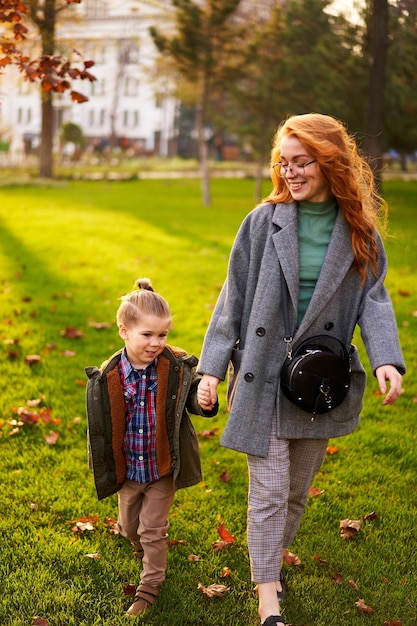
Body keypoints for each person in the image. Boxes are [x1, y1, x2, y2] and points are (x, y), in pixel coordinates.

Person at [196, 113, 405, 626]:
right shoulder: (263, 222)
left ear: (329, 162)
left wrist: (386, 359)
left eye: (300, 162)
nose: (289, 173)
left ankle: (270, 560)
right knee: (267, 490)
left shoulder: (360, 232)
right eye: (282, 163)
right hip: (264, 373)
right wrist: (211, 369)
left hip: (319, 382)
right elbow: (233, 299)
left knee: (293, 492)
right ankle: (268, 599)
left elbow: (374, 303)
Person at [85, 278, 218, 618]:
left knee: (152, 529)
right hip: (128, 468)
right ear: (123, 331)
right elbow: (102, 424)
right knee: (130, 528)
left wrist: (203, 398)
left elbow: (191, 399)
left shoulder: (174, 368)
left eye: (163, 335)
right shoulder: (110, 376)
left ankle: (150, 586)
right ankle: (139, 546)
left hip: (161, 466)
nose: (156, 343)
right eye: (147, 335)